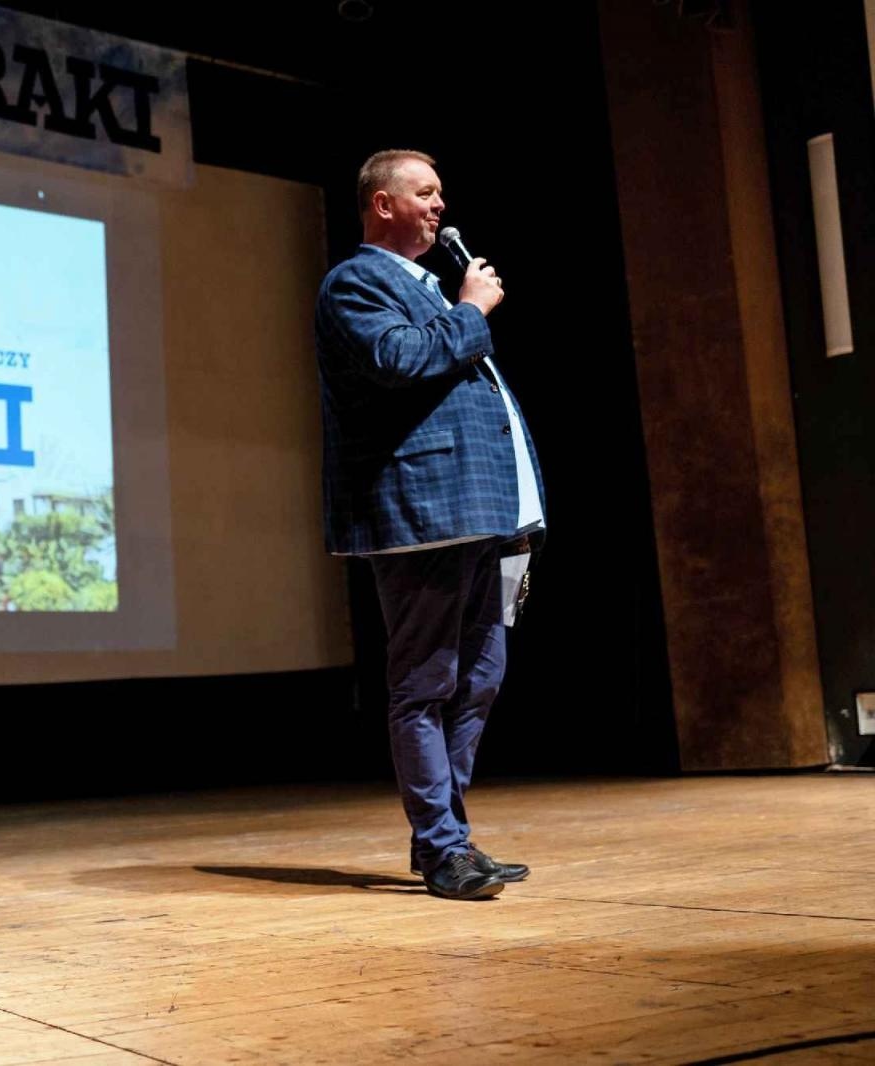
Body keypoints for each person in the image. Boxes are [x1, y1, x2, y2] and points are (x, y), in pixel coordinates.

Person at [314, 149, 544, 900]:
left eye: (442, 192)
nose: (440, 205)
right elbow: (397, 360)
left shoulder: (433, 291)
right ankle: (442, 847)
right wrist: (470, 309)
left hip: (490, 521)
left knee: (481, 677)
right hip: (426, 520)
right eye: (425, 192)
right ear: (382, 204)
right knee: (426, 682)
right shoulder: (355, 283)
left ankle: (450, 840)